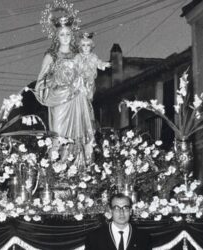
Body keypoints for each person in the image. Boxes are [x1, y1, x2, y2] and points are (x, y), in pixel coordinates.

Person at [35, 15, 96, 162]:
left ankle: (77, 169)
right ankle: (57, 168)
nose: (66, 37)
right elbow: (40, 82)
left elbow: (88, 78)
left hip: (76, 100)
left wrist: (87, 81)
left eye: (68, 34)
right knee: (58, 134)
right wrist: (54, 83)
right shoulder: (51, 56)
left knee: (77, 135)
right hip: (59, 100)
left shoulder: (78, 56)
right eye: (62, 34)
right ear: (56, 36)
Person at [85, 193, 151, 250]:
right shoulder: (94, 237)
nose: (121, 212)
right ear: (110, 211)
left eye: (125, 208)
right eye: (116, 208)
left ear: (130, 211)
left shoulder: (143, 237)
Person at [74, 32, 111, 101]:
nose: (85, 47)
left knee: (89, 96)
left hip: (90, 80)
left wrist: (104, 64)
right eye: (83, 45)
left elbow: (98, 62)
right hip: (80, 80)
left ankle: (88, 105)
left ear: (91, 46)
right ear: (80, 46)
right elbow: (73, 65)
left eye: (88, 45)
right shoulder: (78, 57)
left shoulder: (93, 57)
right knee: (80, 95)